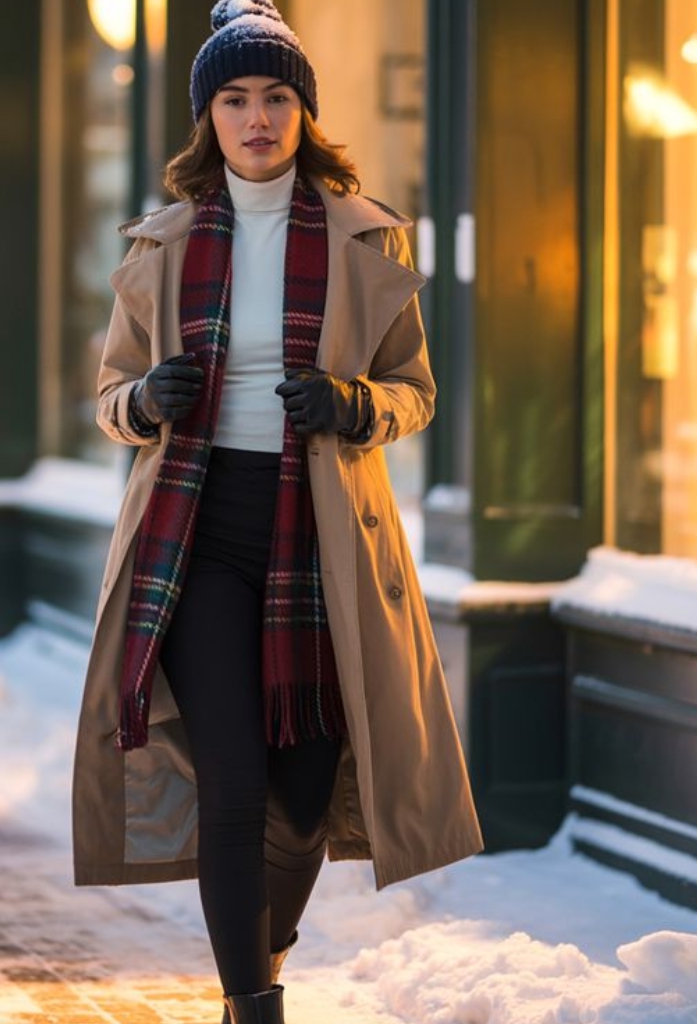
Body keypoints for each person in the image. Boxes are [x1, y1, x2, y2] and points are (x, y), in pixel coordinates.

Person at [72, 2, 483, 1021]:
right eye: (234, 98)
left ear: (304, 112)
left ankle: (262, 943)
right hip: (196, 533)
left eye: (275, 97)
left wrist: (352, 404)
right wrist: (148, 397)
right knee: (234, 775)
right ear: (206, 117)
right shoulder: (159, 248)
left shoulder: (363, 239)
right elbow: (108, 400)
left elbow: (414, 391)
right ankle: (250, 999)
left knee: (303, 790)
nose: (256, 117)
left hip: (322, 542)